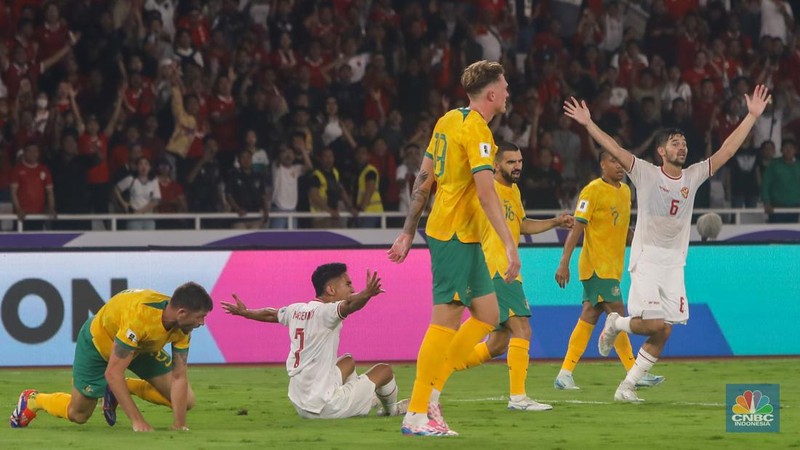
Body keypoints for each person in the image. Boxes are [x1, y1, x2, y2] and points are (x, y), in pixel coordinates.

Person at [562, 84, 771, 402]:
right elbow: (615, 149)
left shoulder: (692, 176)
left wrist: (752, 117)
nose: (682, 148)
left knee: (665, 330)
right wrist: (589, 123)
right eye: (675, 143)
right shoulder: (645, 173)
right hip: (647, 259)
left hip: (675, 263)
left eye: (684, 143)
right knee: (652, 324)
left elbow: (726, 151)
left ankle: (626, 386)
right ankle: (616, 322)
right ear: (661, 151)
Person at [388, 60, 520, 437]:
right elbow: (485, 190)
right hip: (454, 235)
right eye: (505, 86)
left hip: (462, 235)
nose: (508, 92)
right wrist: (510, 245)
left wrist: (409, 231)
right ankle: (416, 412)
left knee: (488, 312)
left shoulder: (448, 119)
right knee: (444, 320)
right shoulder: (479, 132)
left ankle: (433, 389)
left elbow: (424, 177)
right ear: (492, 93)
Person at [434, 142, 573, 411]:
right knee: (522, 328)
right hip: (495, 268)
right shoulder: (486, 190)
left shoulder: (514, 191)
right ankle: (518, 398)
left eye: (519, 161)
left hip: (505, 270)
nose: (518, 166)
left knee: (497, 344)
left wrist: (555, 222)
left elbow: (520, 226)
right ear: (496, 164)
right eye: (511, 162)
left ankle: (438, 371)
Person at [10, 282, 213, 431]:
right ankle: (33, 400)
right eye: (200, 317)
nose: (202, 323)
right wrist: (137, 421)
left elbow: (179, 376)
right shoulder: (140, 319)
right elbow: (113, 372)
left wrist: (179, 424)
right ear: (182, 312)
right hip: (99, 344)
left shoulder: (182, 327)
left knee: (186, 400)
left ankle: (125, 388)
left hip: (142, 346)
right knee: (78, 414)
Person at [220, 264, 407, 419]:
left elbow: (271, 314)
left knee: (347, 361)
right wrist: (367, 293)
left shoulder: (296, 310)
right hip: (325, 406)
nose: (352, 289)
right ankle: (391, 410)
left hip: (301, 403)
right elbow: (350, 305)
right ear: (331, 289)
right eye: (348, 284)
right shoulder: (327, 312)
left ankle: (361, 400)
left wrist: (246, 313)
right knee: (385, 370)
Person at [553, 150, 664, 391]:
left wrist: (641, 250)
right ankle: (635, 370)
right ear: (602, 164)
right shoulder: (592, 190)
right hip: (596, 266)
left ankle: (565, 373)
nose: (619, 165)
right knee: (618, 315)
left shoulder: (625, 192)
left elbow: (623, 229)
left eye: (621, 160)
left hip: (613, 268)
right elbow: (577, 228)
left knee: (589, 316)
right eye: (613, 160)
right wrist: (564, 261)